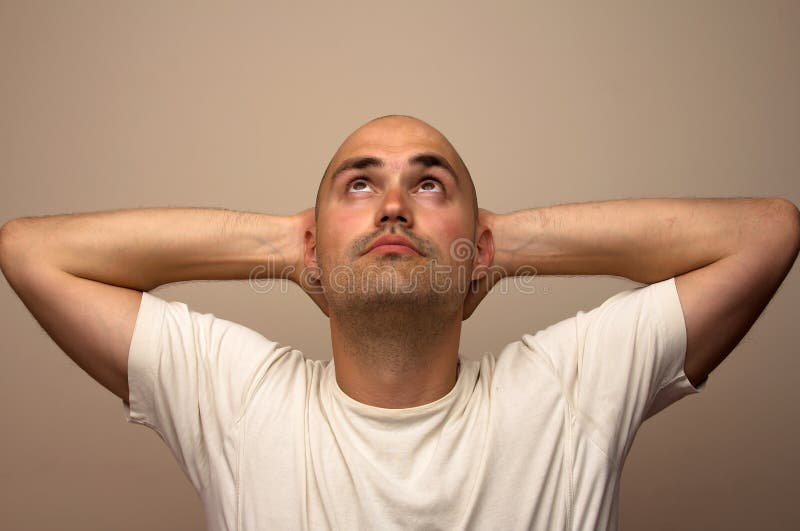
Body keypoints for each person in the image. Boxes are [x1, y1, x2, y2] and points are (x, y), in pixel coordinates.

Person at [0, 114, 797, 531]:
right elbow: (30, 250)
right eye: (358, 185)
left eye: (428, 185)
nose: (390, 205)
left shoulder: (568, 390)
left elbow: (767, 232)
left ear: (478, 244)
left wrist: (495, 245)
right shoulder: (239, 401)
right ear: (312, 243)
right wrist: (288, 245)